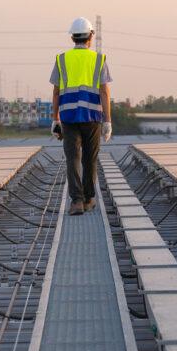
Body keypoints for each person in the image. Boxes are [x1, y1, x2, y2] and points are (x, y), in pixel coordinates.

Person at [50, 17, 112, 216]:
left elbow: (56, 92)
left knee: (73, 159)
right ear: (90, 37)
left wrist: (55, 119)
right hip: (92, 116)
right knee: (89, 158)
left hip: (68, 117)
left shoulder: (61, 59)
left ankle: (76, 202)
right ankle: (88, 199)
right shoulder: (98, 59)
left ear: (72, 38)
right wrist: (108, 121)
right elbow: (104, 91)